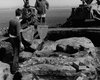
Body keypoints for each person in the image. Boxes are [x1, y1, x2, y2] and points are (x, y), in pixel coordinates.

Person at [8, 8, 23, 74]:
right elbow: (18, 34)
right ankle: (14, 69)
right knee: (16, 54)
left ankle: (16, 65)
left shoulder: (11, 20)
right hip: (16, 39)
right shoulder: (17, 22)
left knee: (14, 51)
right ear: (20, 14)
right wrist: (21, 42)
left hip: (11, 38)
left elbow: (9, 29)